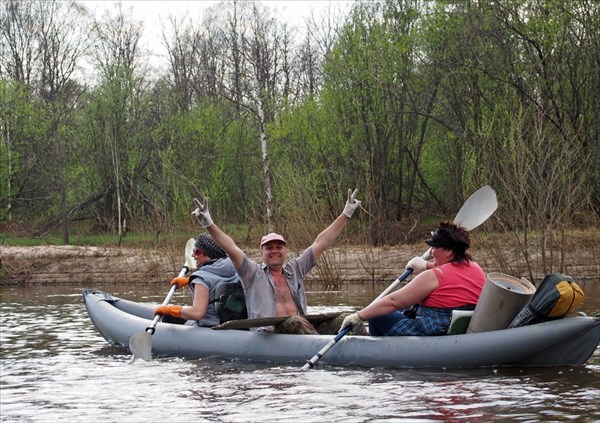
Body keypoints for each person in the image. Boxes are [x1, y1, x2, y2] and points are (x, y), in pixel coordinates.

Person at [191, 189, 362, 334]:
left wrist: (345, 215)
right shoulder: (252, 274)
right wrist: (209, 225)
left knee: (346, 319)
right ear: (261, 252)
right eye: (269, 247)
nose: (275, 251)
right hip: (268, 334)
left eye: (279, 247)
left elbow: (321, 243)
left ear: (285, 251)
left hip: (302, 329)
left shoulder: (296, 269)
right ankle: (318, 348)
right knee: (295, 321)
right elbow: (231, 248)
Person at [340, 221, 486, 336]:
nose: (432, 252)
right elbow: (451, 274)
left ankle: (374, 348)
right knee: (410, 307)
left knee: (377, 314)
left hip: (433, 331)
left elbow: (394, 302)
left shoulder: (433, 276)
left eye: (435, 247)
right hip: (454, 327)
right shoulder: (476, 268)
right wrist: (426, 265)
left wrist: (359, 315)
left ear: (448, 251)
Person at [154, 233, 239, 327]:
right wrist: (189, 280)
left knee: (168, 317)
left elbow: (197, 313)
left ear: (208, 254)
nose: (192, 255)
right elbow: (216, 280)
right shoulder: (233, 267)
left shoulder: (201, 279)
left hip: (211, 326)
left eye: (196, 251)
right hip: (232, 321)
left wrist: (171, 310)